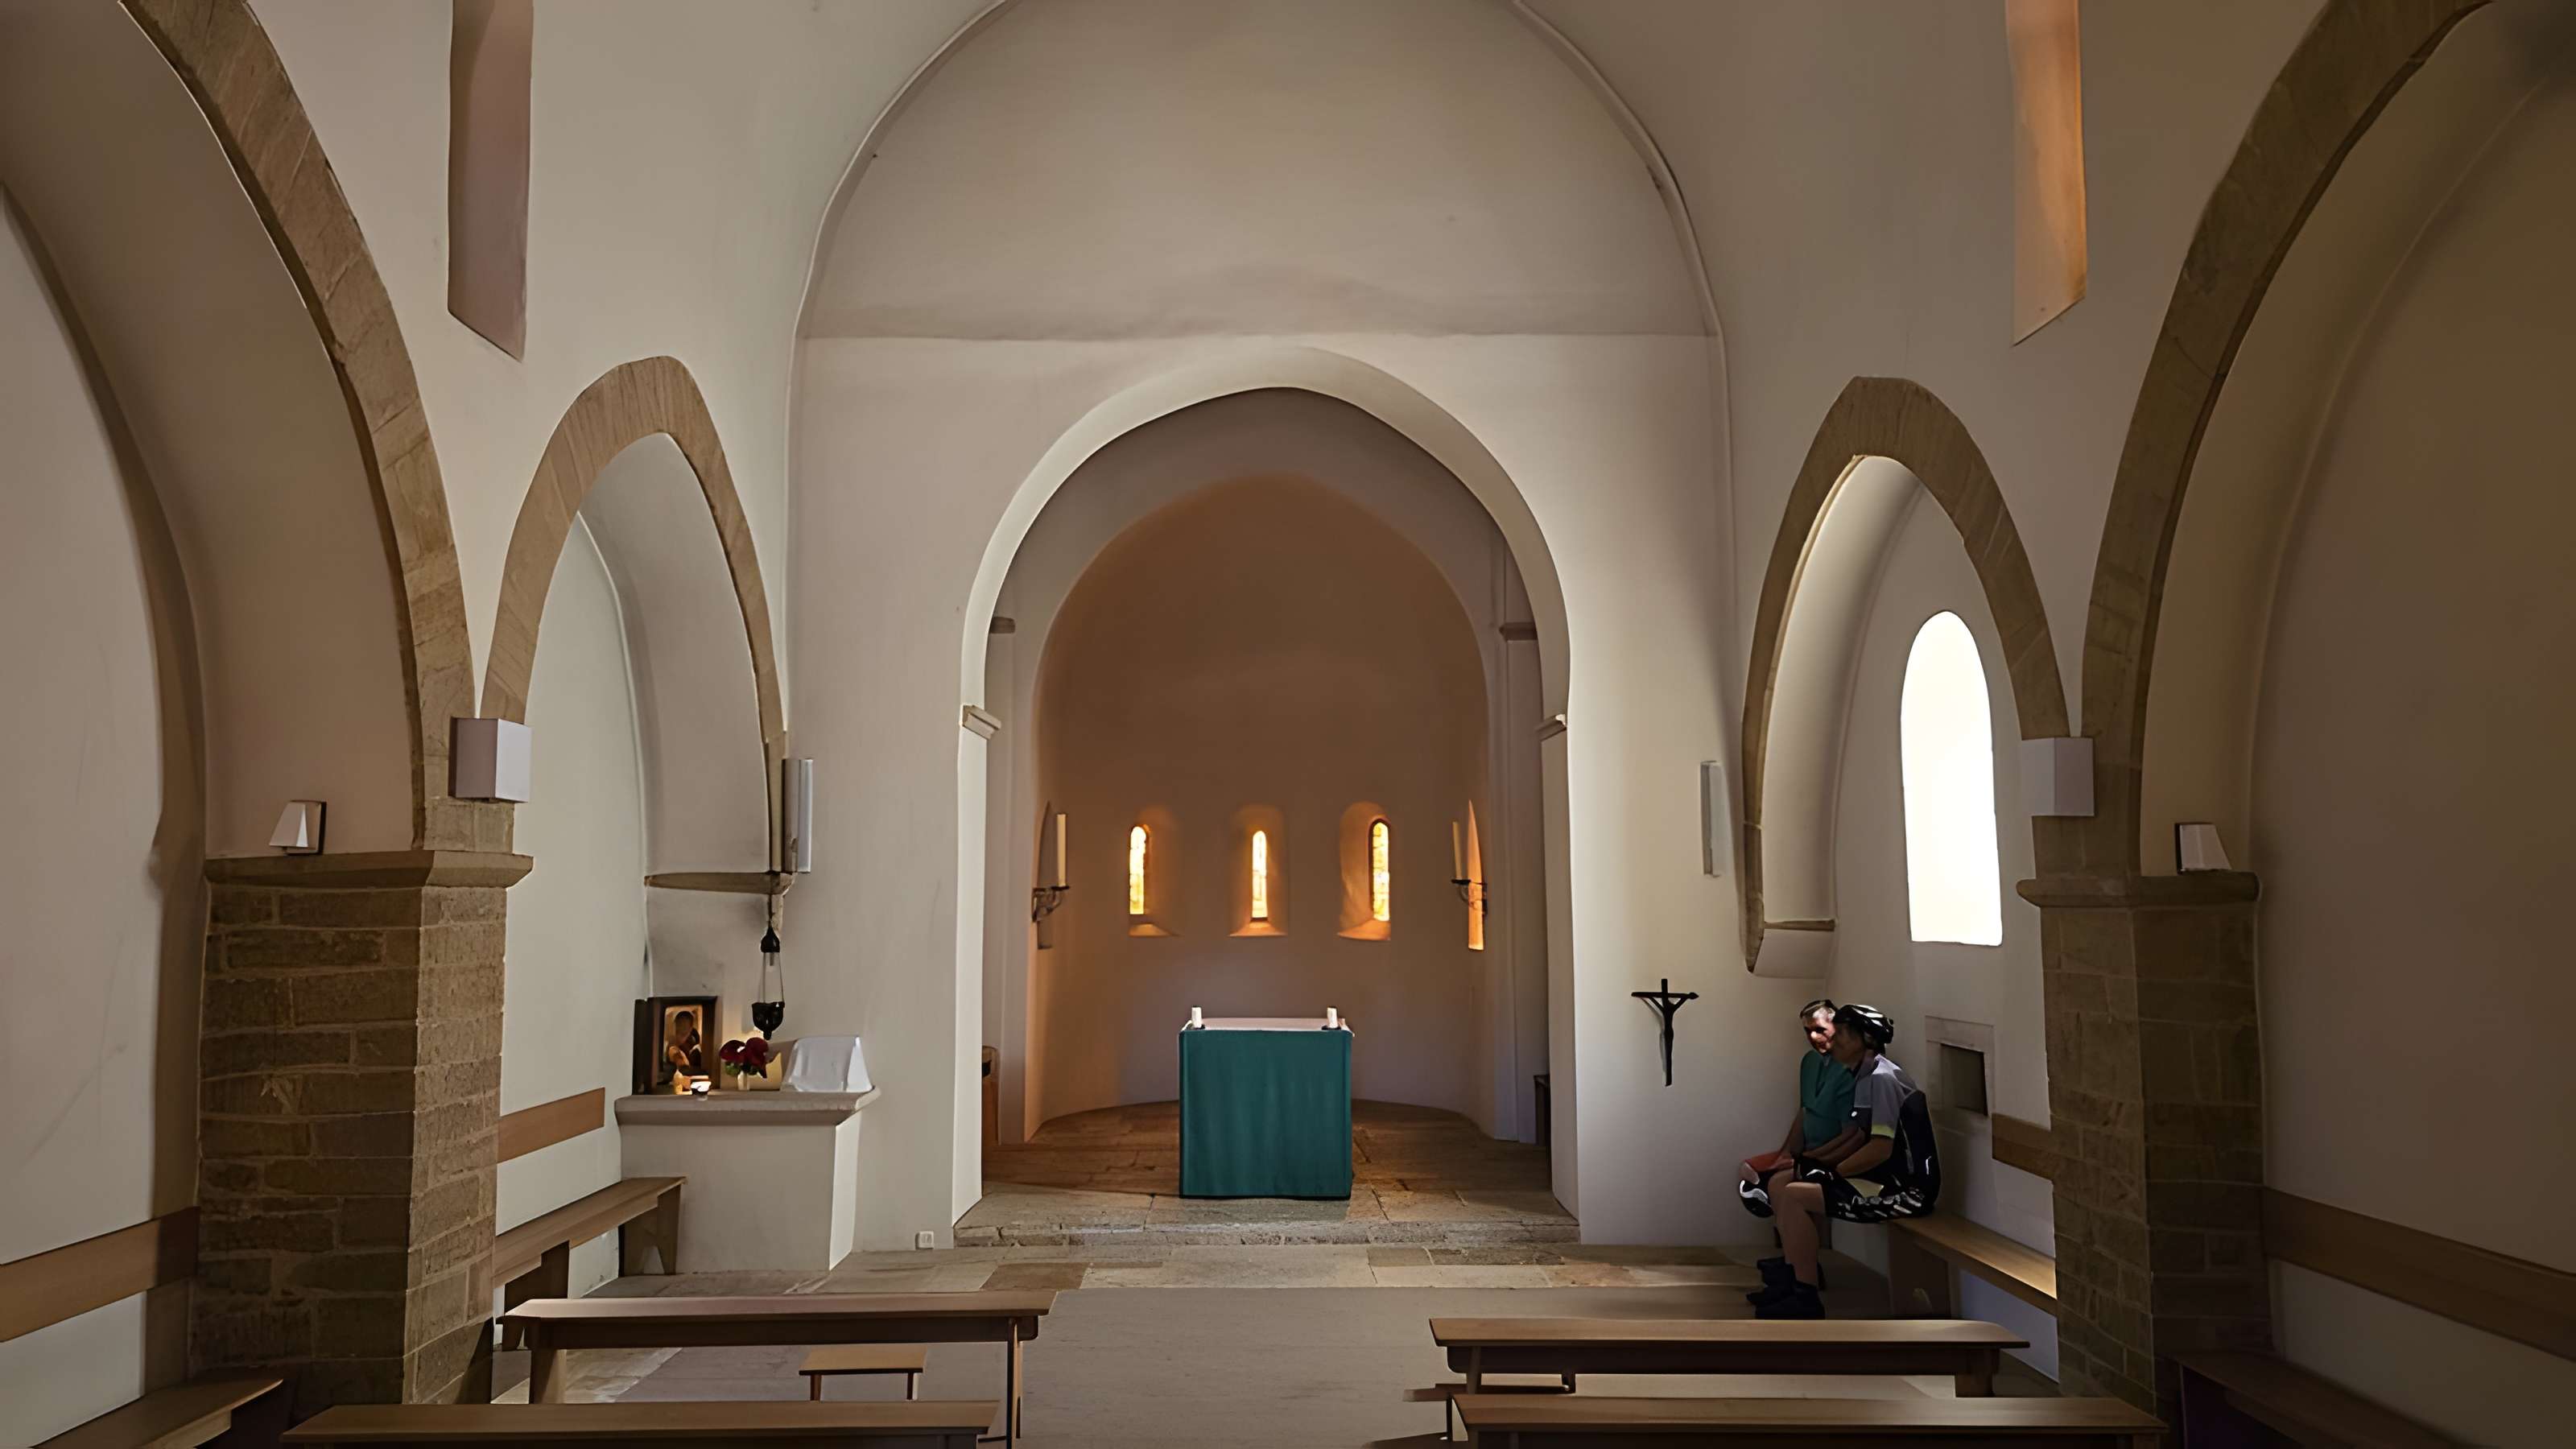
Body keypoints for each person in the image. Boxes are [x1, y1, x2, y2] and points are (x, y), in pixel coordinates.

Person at [1749, 1002, 1940, 1319]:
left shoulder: (1882, 1078)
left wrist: (1833, 1172)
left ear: (1865, 1039)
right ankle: (1793, 1278)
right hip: (1880, 1178)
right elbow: (1859, 1136)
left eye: (1842, 1035)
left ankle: (1806, 1295)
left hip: (1905, 1191)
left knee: (1794, 1195)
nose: (1834, 1041)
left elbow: (1880, 1148)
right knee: (1783, 1183)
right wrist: (1815, 1164)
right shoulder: (1865, 1075)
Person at [1736, 1000, 1857, 1232]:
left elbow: (1852, 1133)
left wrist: (1810, 1160)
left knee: (1782, 1185)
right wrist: (1786, 1154)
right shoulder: (1810, 1062)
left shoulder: (1849, 1070)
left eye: (1820, 1029)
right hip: (1809, 1151)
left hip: (1832, 1156)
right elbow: (1804, 1112)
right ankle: (1789, 1245)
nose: (1813, 1037)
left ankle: (1809, 1248)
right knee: (1750, 1172)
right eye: (1807, 1031)